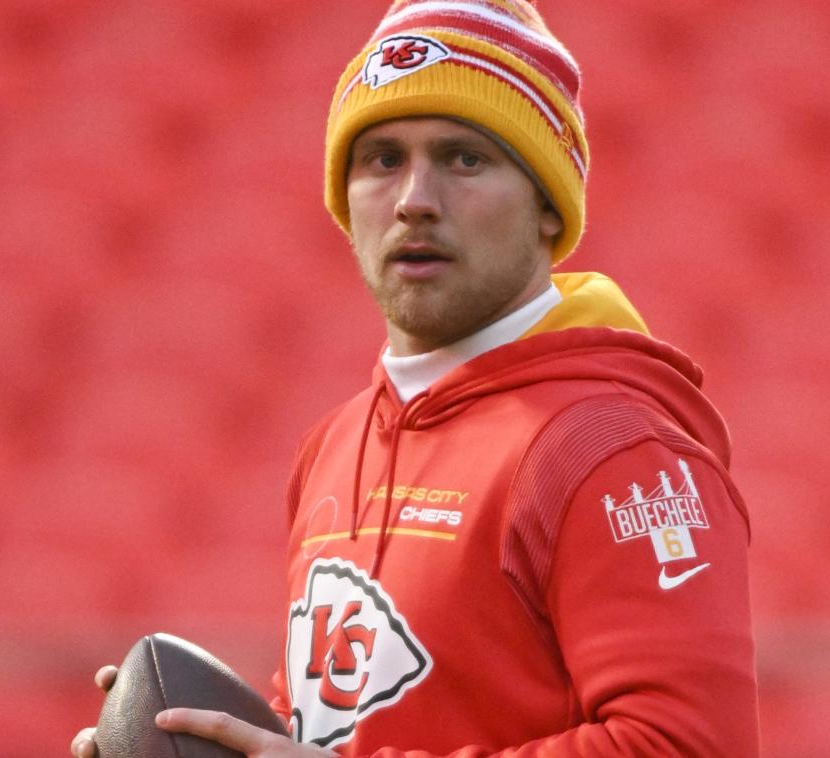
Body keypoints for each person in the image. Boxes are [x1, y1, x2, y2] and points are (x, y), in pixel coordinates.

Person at [72, 1, 759, 755]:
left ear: (548, 209)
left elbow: (688, 746)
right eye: (381, 160)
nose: (414, 201)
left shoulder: (612, 451)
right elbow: (332, 729)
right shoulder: (332, 444)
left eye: (465, 157)